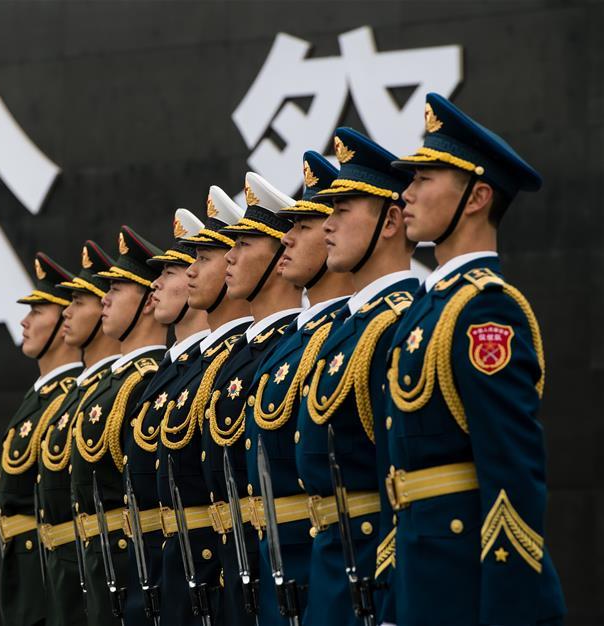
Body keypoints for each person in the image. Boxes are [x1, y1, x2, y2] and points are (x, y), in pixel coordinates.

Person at [383, 92, 566, 626]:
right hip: (424, 582)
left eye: (424, 180)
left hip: (467, 589)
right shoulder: (429, 310)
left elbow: (512, 476)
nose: (407, 194)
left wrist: (506, 611)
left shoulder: (487, 311)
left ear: (477, 196)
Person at [294, 128, 418, 626]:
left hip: (369, 571)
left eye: (342, 211)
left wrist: (390, 594)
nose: (328, 226)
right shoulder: (351, 327)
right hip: (333, 568)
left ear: (390, 221)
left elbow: (398, 478)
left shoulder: (397, 323)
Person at [243, 151, 353, 623]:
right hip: (283, 567)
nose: (288, 239)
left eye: (304, 226)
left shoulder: (357, 333)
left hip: (336, 565)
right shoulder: (295, 343)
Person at [200, 172, 304, 626]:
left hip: (295, 569)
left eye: (242, 245)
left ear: (280, 255)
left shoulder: (295, 348)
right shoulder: (232, 361)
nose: (230, 258)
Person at [156, 186, 252, 625]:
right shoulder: (193, 369)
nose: (191, 272)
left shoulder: (241, 363)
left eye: (203, 258)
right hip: (182, 571)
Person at [70, 226, 169, 626]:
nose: (104, 299)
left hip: (130, 563)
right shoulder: (113, 382)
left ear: (148, 302)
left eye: (117, 289)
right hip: (99, 563)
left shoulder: (143, 380)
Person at [123, 209, 211, 625]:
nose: (154, 284)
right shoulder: (164, 376)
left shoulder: (210, 369)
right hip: (163, 570)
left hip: (207, 571)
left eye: (172, 271)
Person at [38, 240, 121, 626]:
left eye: (79, 302)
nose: (66, 313)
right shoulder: (77, 395)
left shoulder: (127, 385)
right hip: (70, 567)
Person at [0, 252, 84, 626]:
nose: (25, 321)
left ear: (65, 321)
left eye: (38, 312)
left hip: (48, 567)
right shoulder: (42, 396)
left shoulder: (68, 398)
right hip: (25, 565)